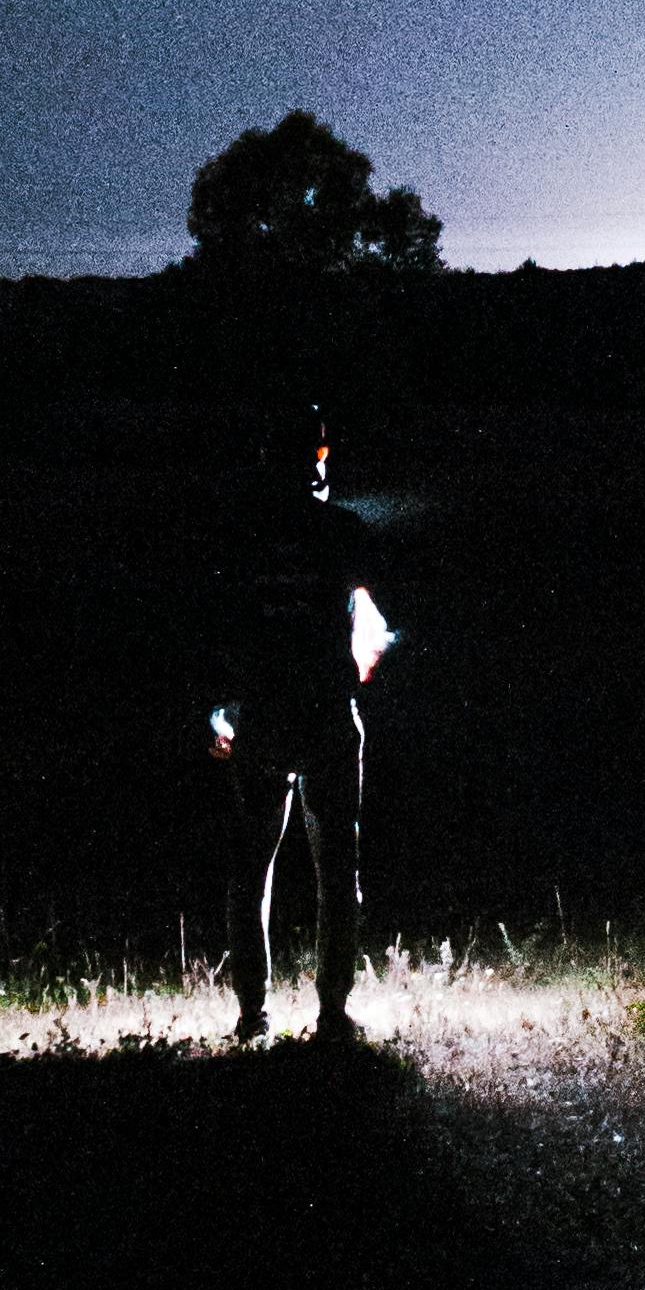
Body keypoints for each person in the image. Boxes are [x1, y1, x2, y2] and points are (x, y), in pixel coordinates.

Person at [205, 411, 391, 1042]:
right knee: (338, 868)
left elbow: (223, 628)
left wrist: (224, 705)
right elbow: (371, 619)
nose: (325, 464)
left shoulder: (243, 537)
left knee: (251, 869)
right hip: (326, 714)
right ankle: (333, 1015)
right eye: (320, 454)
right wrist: (363, 658)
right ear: (312, 463)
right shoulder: (343, 530)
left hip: (261, 714)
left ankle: (252, 1017)